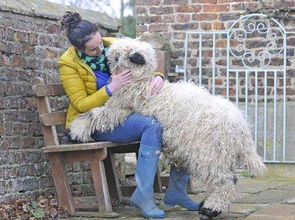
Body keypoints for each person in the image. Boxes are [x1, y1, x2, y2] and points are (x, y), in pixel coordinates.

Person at [59, 11, 201, 219]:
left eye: (100, 43)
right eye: (93, 49)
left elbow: (144, 65)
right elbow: (80, 104)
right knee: (152, 125)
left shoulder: (115, 45)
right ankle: (143, 196)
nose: (100, 50)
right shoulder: (68, 64)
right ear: (78, 49)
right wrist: (110, 88)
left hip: (129, 111)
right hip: (97, 120)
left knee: (180, 121)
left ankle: (176, 191)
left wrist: (158, 77)